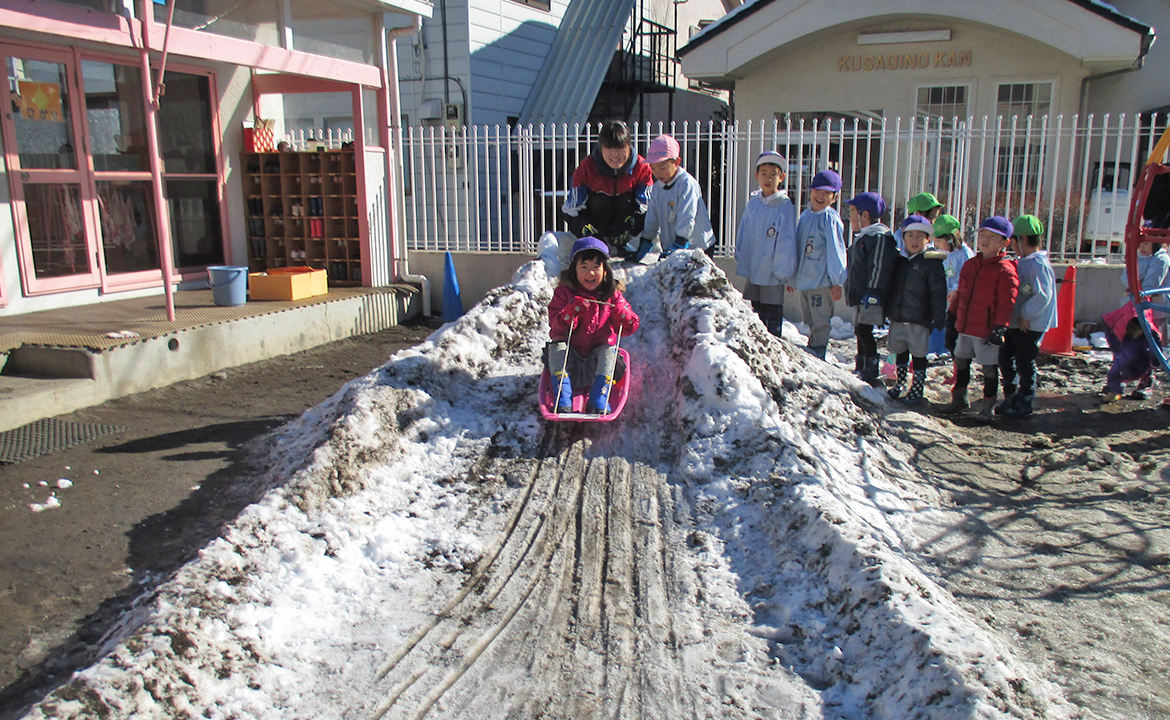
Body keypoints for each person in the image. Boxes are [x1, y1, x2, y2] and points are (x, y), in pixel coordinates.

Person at [547, 237, 640, 414]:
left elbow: (629, 326)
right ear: (574, 270)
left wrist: (623, 314)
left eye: (596, 267)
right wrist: (570, 311)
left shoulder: (612, 295)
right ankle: (562, 396)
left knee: (609, 351)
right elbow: (556, 328)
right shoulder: (564, 292)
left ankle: (599, 397)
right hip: (570, 362)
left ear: (605, 271)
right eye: (584, 267)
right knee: (557, 346)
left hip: (597, 365)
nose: (590, 274)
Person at [940, 216, 1019, 418]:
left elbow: (1006, 304)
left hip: (986, 329)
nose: (985, 240)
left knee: (989, 368)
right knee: (961, 361)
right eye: (982, 235)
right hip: (965, 325)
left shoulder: (1005, 270)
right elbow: (961, 293)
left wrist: (1000, 327)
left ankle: (987, 406)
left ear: (1005, 243)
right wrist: (952, 315)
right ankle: (959, 399)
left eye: (992, 237)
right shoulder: (971, 265)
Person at [997, 214, 1058, 417]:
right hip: (1017, 323)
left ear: (1022, 240)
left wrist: (1025, 315)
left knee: (1025, 362)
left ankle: (1024, 401)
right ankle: (1010, 395)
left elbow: (1043, 295)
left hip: (1029, 325)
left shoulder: (1038, 264)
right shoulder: (1024, 261)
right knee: (1006, 357)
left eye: (1013, 240)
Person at [562, 120, 653, 256]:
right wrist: (585, 229)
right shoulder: (587, 167)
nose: (615, 154)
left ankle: (623, 246)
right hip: (597, 222)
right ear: (601, 147)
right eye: (609, 148)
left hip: (626, 226)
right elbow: (571, 208)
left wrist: (631, 226)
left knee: (627, 201)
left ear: (629, 146)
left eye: (620, 148)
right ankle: (597, 244)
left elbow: (647, 206)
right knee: (599, 202)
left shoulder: (641, 167)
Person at [885, 215, 947, 404]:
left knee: (919, 353)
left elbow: (938, 292)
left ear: (927, 239)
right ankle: (901, 382)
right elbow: (890, 286)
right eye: (910, 235)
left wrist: (937, 316)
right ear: (903, 237)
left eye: (920, 236)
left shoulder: (931, 263)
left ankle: (917, 387)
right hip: (898, 315)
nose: (914, 240)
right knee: (900, 350)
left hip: (919, 317)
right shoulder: (899, 260)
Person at [735, 151, 797, 337]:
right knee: (756, 307)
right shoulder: (754, 203)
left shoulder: (784, 205)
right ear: (756, 176)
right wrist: (741, 255)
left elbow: (787, 239)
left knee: (773, 308)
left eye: (773, 174)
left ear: (782, 177)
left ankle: (774, 341)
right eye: (764, 173)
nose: (768, 178)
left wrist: (783, 269)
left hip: (773, 269)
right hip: (755, 265)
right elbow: (744, 231)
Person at [625, 134, 715, 261]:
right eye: (654, 168)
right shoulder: (657, 188)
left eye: (662, 168)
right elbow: (652, 218)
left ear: (677, 162)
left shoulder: (686, 184)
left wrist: (679, 243)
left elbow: (687, 216)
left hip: (698, 247)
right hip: (673, 246)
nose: (657, 173)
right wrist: (644, 244)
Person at [843, 191, 898, 384]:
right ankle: (861, 364)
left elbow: (879, 267)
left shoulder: (879, 238)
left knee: (865, 330)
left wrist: (874, 291)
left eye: (852, 212)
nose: (849, 217)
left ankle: (870, 369)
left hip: (870, 296)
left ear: (864, 215)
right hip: (860, 294)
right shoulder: (863, 237)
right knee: (860, 329)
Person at [793, 169, 847, 360]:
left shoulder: (829, 219)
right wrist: (793, 277)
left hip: (822, 281)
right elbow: (798, 247)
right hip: (805, 280)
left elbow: (835, 250)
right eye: (817, 191)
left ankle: (819, 351)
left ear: (835, 197)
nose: (820, 196)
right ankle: (813, 347)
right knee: (809, 319)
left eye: (827, 193)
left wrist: (837, 281)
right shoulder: (806, 216)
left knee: (821, 320)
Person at [1101, 301, 1163, 401]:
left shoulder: (1147, 334)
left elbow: (1154, 351)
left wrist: (1155, 362)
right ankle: (1116, 387)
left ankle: (1145, 382)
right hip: (1132, 319)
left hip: (1141, 314)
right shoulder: (1124, 331)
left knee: (1145, 356)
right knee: (1123, 361)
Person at [933, 214, 975, 354]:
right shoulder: (945, 254)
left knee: (955, 334)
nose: (937, 245)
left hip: (960, 301)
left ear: (950, 238)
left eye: (939, 241)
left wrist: (956, 289)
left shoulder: (965, 254)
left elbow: (968, 277)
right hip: (947, 300)